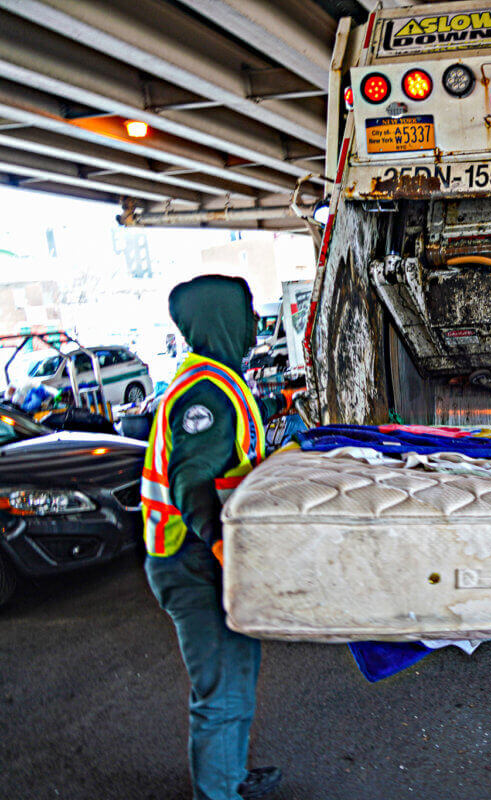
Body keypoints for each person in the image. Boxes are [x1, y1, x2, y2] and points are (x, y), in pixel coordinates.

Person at [140, 275, 285, 800]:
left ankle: (229, 774)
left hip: (202, 557)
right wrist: (228, 554)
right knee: (220, 691)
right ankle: (217, 792)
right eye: (245, 313)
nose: (252, 326)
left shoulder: (217, 378)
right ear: (223, 317)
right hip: (194, 559)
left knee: (237, 675)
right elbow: (193, 481)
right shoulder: (205, 387)